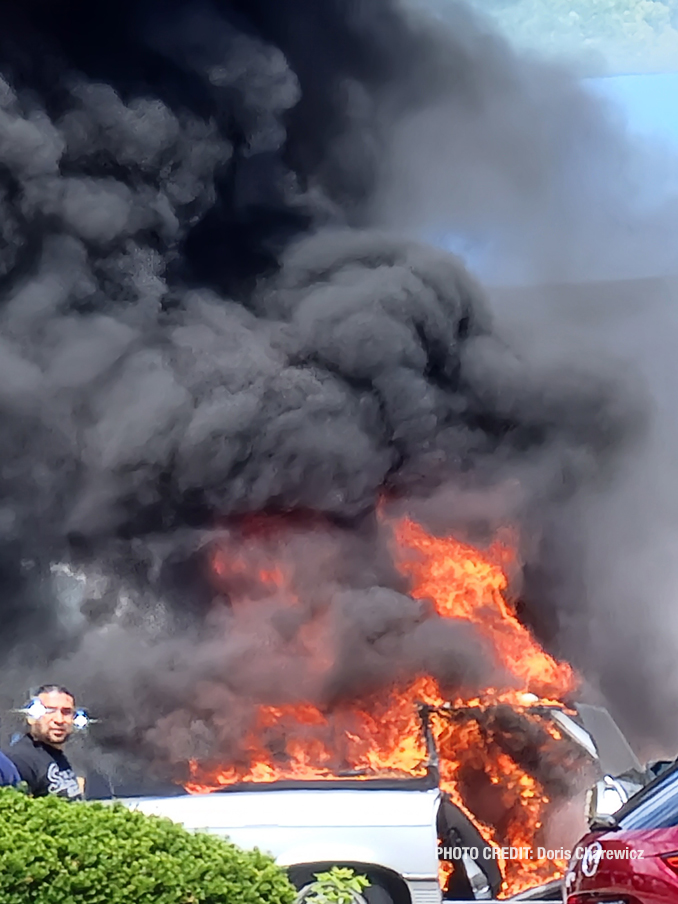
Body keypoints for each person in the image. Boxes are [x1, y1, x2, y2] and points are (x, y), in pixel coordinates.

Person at [2, 685, 83, 800]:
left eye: (66, 712)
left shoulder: (55, 755)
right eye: (49, 711)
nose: (59, 720)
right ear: (31, 717)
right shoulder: (20, 760)